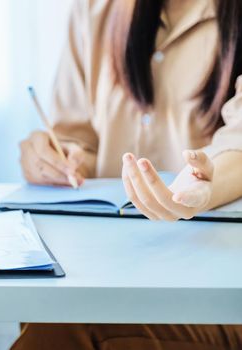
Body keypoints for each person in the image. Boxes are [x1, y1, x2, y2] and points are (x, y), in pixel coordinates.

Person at [17, 0, 242, 349]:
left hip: (221, 291)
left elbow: (239, 145)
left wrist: (205, 186)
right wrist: (54, 158)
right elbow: (76, 140)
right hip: (108, 268)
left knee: (64, 327)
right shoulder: (95, 11)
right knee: (42, 307)